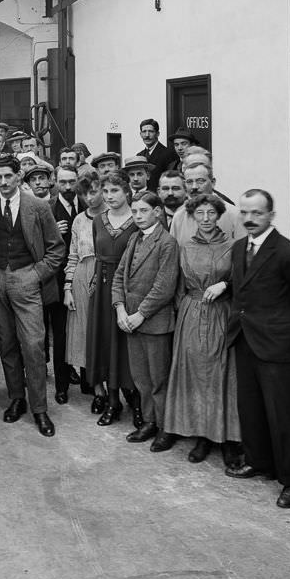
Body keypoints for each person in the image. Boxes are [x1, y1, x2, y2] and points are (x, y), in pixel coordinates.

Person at [225, 189, 290, 509]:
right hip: (245, 341)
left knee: (284, 417)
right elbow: (240, 293)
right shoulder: (239, 248)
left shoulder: (289, 254)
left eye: (257, 213)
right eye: (244, 213)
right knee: (250, 410)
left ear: (271, 215)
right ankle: (259, 462)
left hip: (278, 347)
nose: (249, 219)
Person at [0, 155, 66, 437]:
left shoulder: (38, 207)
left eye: (8, 176)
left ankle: (39, 408)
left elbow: (56, 250)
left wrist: (36, 274)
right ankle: (16, 398)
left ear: (19, 176)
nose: (4, 182)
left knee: (33, 344)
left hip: (27, 278)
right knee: (6, 344)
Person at [164, 193, 243, 467]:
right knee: (196, 374)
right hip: (191, 314)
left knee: (223, 374)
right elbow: (177, 287)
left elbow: (243, 280)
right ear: (193, 216)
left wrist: (226, 285)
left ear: (219, 215)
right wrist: (178, 317)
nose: (206, 219)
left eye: (211, 213)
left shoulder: (234, 246)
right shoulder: (185, 247)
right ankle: (202, 435)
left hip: (222, 313)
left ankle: (229, 440)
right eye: (201, 214)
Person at [113, 191, 180, 451]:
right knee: (142, 378)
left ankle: (165, 427)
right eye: (135, 211)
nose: (138, 216)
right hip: (130, 321)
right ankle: (149, 421)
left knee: (159, 378)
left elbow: (164, 288)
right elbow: (119, 277)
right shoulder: (133, 239)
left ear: (157, 212)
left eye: (143, 211)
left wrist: (139, 315)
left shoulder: (167, 243)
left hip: (154, 322)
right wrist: (120, 310)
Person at [86, 171, 139, 427]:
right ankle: (112, 401)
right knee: (105, 343)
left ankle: (137, 403)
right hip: (103, 287)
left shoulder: (138, 219)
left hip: (129, 289)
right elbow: (98, 254)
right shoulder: (98, 220)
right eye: (105, 192)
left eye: (114, 191)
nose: (109, 197)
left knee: (128, 347)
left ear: (127, 192)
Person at [64, 174, 102, 407]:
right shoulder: (78, 220)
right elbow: (73, 255)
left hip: (106, 275)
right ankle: (98, 390)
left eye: (94, 191)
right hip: (81, 276)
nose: (90, 197)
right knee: (86, 334)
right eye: (85, 193)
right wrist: (67, 287)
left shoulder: (113, 215)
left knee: (105, 334)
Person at [50, 165, 80, 402]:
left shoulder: (88, 205)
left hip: (85, 278)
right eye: (63, 182)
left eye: (72, 181)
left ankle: (91, 384)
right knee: (60, 334)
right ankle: (61, 386)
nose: (68, 187)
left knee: (87, 330)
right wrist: (53, 233)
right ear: (55, 182)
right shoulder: (47, 208)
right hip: (57, 281)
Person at [170, 163, 247, 242]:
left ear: (213, 182)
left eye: (200, 181)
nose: (194, 187)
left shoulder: (234, 214)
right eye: (189, 182)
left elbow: (242, 250)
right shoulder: (179, 217)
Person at [136, 118, 175, 190]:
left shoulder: (168, 154)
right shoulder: (139, 156)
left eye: (150, 131)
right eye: (144, 131)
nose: (147, 135)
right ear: (140, 134)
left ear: (157, 134)